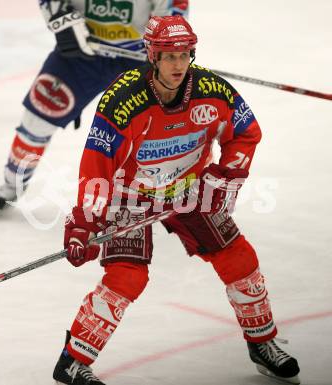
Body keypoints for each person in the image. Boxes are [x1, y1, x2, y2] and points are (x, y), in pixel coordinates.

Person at [53, 15, 301, 385]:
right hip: (129, 195)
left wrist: (226, 175)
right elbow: (96, 167)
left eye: (184, 55)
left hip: (188, 188)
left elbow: (246, 132)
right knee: (126, 276)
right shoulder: (122, 102)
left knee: (239, 258)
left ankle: (262, 343)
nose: (177, 65)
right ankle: (72, 362)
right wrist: (85, 223)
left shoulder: (212, 91)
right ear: (152, 55)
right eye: (169, 56)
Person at [0, 0, 190, 214]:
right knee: (37, 119)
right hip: (79, 56)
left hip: (138, 59)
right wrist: (62, 21)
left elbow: (174, 13)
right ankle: (12, 185)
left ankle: (167, 189)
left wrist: (164, 47)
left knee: (159, 126)